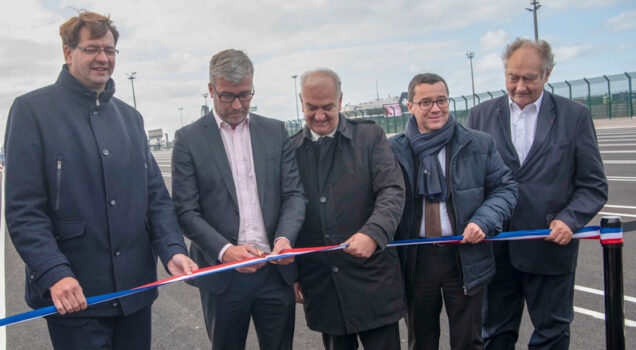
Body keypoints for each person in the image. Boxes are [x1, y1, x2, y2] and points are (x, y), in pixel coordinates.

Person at [3, 11, 197, 350]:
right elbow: (24, 211)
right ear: (68, 53)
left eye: (109, 50)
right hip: (74, 295)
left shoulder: (130, 118)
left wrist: (172, 249)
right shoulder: (32, 111)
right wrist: (54, 272)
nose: (103, 58)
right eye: (92, 48)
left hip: (134, 293)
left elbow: (155, 197)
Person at [466, 38, 608, 350]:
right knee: (495, 334)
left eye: (529, 77)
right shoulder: (479, 116)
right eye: (512, 77)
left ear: (546, 74)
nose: (519, 86)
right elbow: (470, 182)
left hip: (550, 247)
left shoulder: (575, 116)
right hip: (496, 247)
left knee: (551, 335)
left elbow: (593, 185)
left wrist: (569, 220)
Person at [171, 49, 306, 350]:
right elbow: (185, 210)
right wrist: (225, 251)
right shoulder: (188, 139)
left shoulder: (275, 131)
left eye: (245, 95)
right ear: (211, 90)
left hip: (274, 271)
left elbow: (294, 194)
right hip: (222, 278)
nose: (237, 105)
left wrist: (285, 238)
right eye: (227, 96)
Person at [390, 73, 518, 350]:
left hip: (465, 255)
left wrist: (483, 221)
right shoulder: (392, 150)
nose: (436, 108)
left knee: (469, 341)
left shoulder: (479, 143)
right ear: (410, 107)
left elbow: (505, 188)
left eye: (441, 100)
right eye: (426, 102)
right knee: (421, 341)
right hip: (416, 257)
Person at [291, 68, 406, 349]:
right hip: (323, 284)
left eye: (328, 107)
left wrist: (374, 233)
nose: (319, 116)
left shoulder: (370, 138)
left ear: (341, 101)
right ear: (301, 102)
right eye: (311, 107)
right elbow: (285, 211)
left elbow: (392, 189)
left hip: (373, 279)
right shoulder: (291, 151)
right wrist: (293, 273)